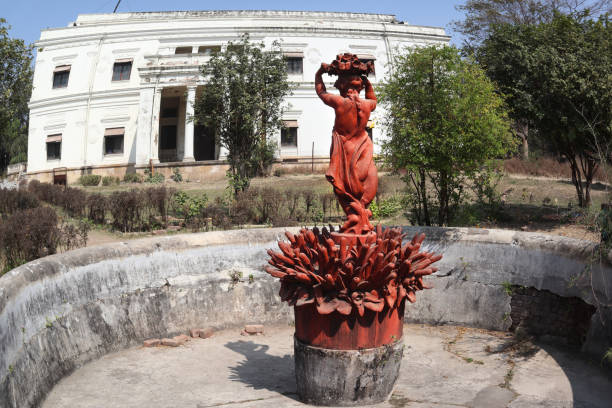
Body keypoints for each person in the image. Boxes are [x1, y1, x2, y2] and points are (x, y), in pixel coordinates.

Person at [315, 56, 378, 235]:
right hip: (363, 147)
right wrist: (369, 85)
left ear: (341, 87)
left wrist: (319, 72)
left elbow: (321, 92)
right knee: (367, 178)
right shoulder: (367, 105)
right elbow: (373, 98)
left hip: (344, 148)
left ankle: (354, 215)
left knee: (341, 185)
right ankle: (362, 212)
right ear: (360, 87)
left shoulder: (339, 103)